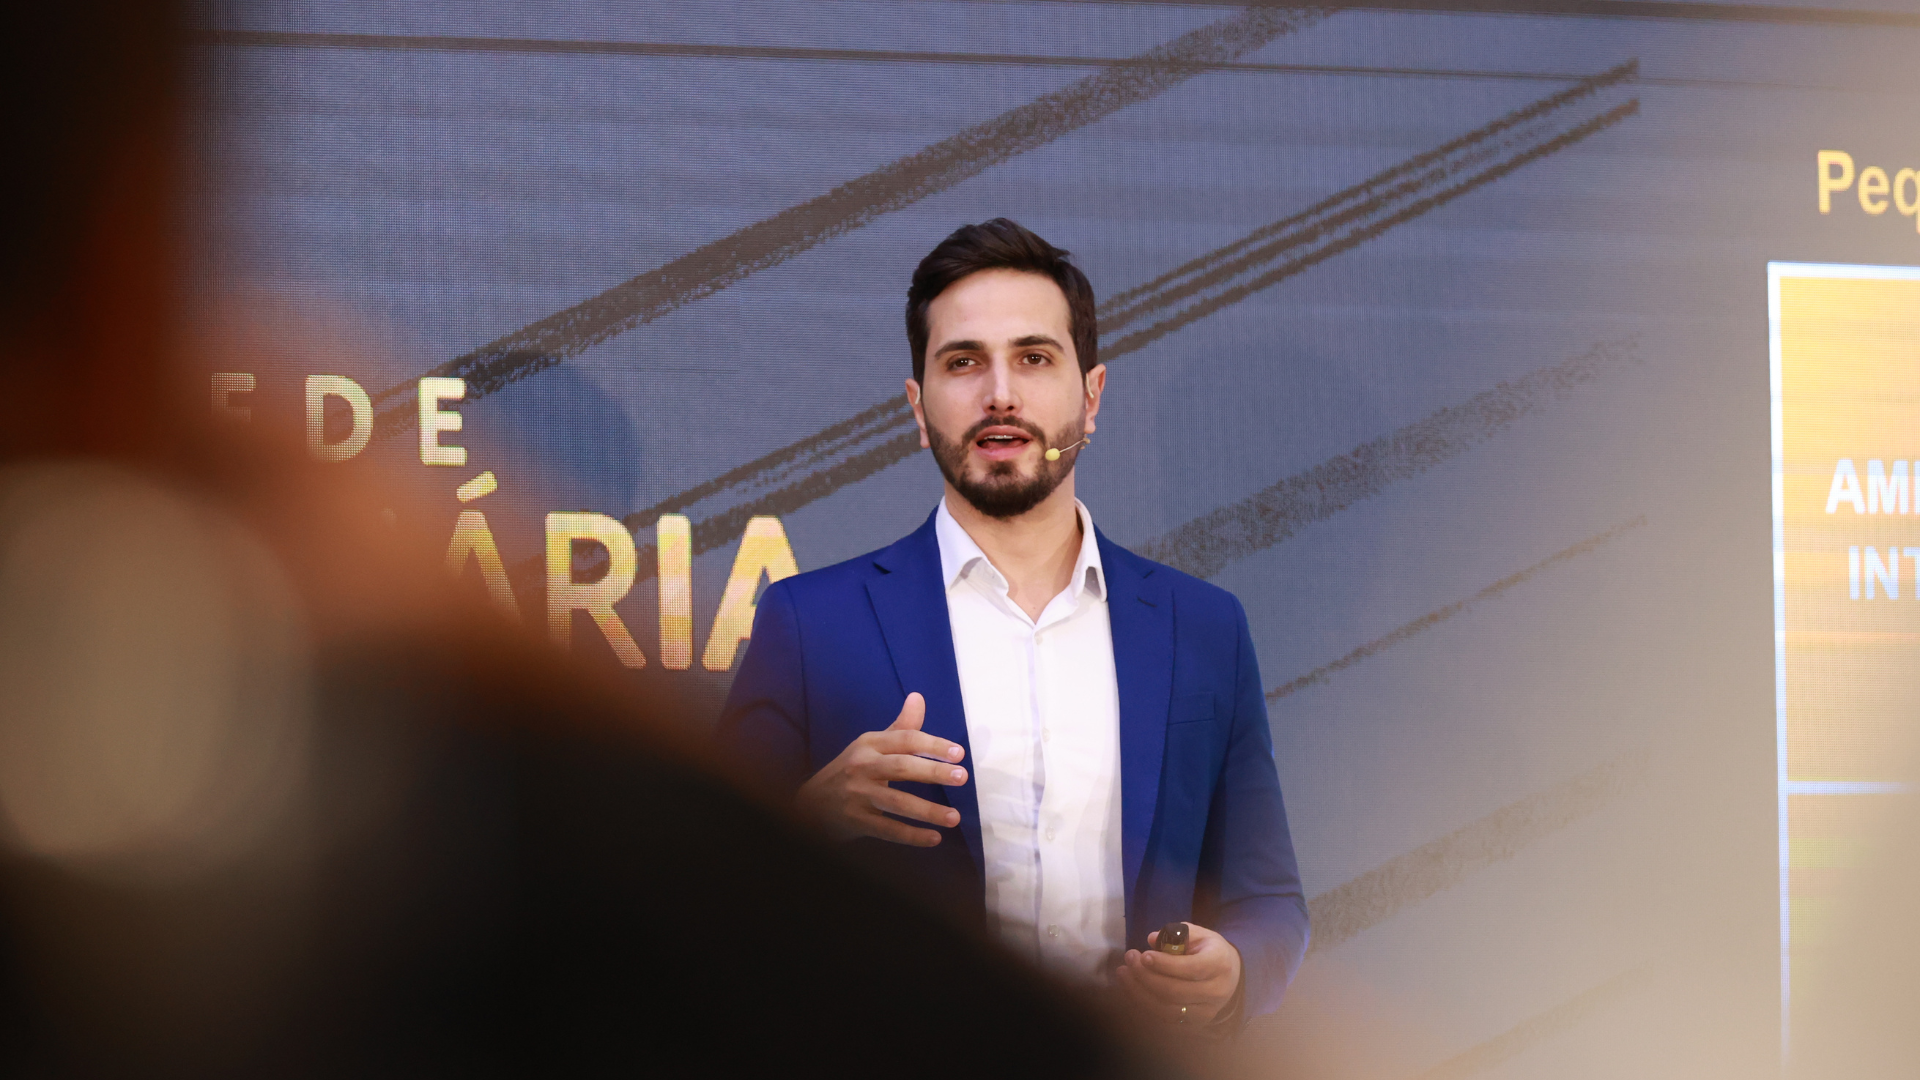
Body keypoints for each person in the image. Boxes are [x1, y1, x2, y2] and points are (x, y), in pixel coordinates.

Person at [719, 218, 1311, 1032]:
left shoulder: (1203, 627)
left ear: (1091, 395)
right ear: (917, 406)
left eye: (1034, 358)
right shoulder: (808, 622)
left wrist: (1233, 971)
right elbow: (696, 892)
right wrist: (811, 817)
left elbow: (1270, 899)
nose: (1000, 392)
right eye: (963, 362)